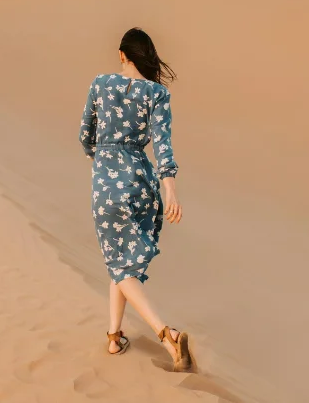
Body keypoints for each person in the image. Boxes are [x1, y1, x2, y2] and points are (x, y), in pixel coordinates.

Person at [78, 27, 193, 372]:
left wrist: (96, 156)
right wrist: (170, 190)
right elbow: (163, 148)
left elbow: (86, 133)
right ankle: (114, 337)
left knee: (118, 262)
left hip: (108, 183)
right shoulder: (157, 94)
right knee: (121, 260)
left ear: (121, 55)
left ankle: (166, 333)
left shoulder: (100, 84)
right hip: (142, 181)